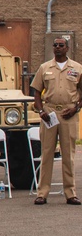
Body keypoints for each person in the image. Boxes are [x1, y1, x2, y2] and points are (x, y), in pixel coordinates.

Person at [29, 36, 82, 205]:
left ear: (67, 48)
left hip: (69, 112)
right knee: (47, 153)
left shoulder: (77, 68)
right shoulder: (45, 68)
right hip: (50, 111)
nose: (58, 47)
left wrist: (76, 108)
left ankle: (70, 192)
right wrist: (41, 110)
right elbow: (37, 93)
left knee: (68, 155)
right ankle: (42, 193)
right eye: (55, 45)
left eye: (61, 45)